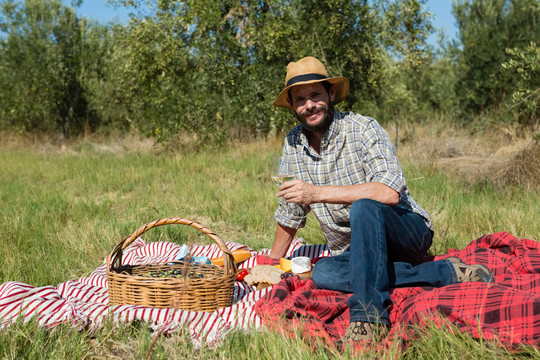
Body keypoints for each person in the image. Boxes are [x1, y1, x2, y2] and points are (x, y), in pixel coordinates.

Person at [268, 56, 494, 345]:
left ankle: (368, 318)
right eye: (300, 99)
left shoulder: (363, 129)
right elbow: (290, 213)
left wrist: (316, 193)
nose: (309, 105)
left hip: (405, 230)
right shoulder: (292, 142)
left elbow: (389, 193)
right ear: (292, 105)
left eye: (315, 95)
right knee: (323, 272)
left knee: (365, 205)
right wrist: (272, 263)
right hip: (356, 249)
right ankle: (443, 271)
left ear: (331, 94)